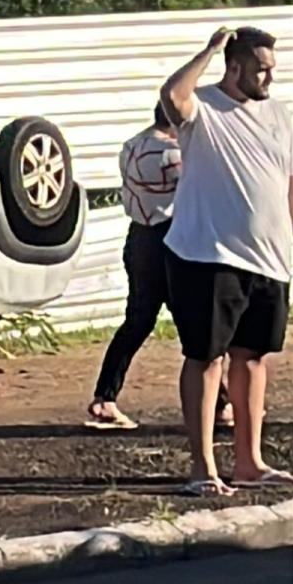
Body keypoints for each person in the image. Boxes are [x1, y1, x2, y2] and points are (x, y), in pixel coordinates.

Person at [161, 26, 293, 496]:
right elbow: (171, 96)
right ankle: (203, 468)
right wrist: (209, 50)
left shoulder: (279, 115)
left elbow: (288, 183)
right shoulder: (204, 109)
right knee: (206, 357)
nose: (268, 77)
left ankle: (249, 462)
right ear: (234, 66)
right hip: (207, 255)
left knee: (253, 358)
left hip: (269, 260)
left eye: (272, 69)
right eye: (260, 68)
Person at [87, 103, 231, 430]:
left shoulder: (132, 145)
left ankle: (105, 396)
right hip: (174, 238)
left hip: (139, 236)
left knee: (138, 320)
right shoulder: (175, 153)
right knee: (196, 325)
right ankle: (220, 404)